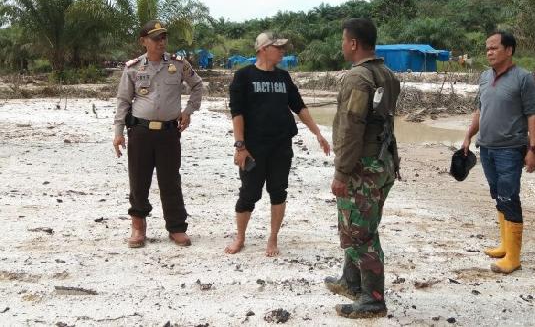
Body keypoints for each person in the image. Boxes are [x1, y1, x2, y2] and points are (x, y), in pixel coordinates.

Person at [224, 31, 330, 257]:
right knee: (248, 194)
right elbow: (237, 113)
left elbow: (299, 106)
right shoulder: (244, 76)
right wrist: (240, 146)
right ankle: (240, 237)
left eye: (283, 48)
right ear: (263, 49)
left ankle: (273, 238)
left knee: (278, 191)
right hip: (253, 146)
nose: (282, 51)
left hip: (281, 145)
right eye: (278, 47)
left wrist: (317, 133)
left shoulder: (283, 77)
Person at [326, 18, 400, 318]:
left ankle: (373, 299)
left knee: (360, 232)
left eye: (344, 40)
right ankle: (351, 280)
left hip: (362, 167)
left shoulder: (358, 78)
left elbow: (352, 127)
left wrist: (341, 172)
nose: (342, 45)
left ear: (354, 43)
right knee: (358, 224)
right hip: (383, 162)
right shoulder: (387, 75)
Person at [113, 19, 203, 248]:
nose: (161, 42)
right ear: (144, 41)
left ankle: (176, 228)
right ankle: (138, 228)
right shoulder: (133, 68)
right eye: (156, 38)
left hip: (169, 133)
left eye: (164, 37)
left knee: (171, 181)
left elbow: (197, 85)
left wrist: (188, 111)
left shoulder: (178, 65)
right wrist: (118, 132)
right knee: (138, 181)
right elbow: (123, 101)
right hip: (140, 132)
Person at [462, 31, 535, 274]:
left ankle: (513, 258)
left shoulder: (523, 78)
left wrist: (533, 149)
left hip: (510, 149)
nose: (489, 52)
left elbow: (532, 115)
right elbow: (480, 110)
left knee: (509, 196)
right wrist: (468, 135)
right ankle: (505, 245)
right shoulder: (485, 77)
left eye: (494, 48)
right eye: (487, 48)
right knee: (498, 195)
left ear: (509, 50)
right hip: (486, 148)